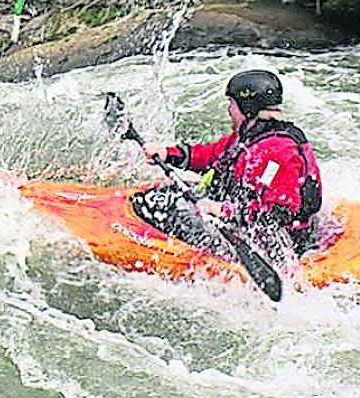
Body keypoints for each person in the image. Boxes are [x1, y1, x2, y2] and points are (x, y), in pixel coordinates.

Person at [131, 70, 323, 266]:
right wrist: (167, 153)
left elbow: (278, 211)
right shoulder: (251, 136)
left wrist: (224, 210)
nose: (229, 110)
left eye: (231, 103)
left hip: (279, 244)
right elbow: (211, 155)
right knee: (167, 194)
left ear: (246, 108)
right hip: (245, 221)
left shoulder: (277, 152)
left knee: (172, 210)